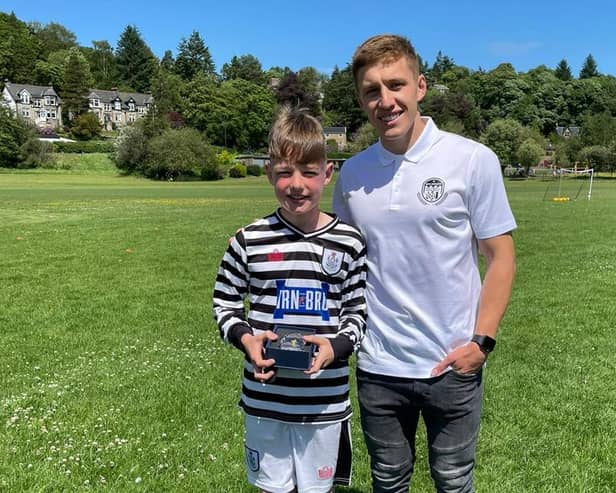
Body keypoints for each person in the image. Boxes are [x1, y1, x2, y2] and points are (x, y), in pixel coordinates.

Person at [333, 34, 517, 493]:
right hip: (378, 366)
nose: (385, 100)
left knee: (454, 482)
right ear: (361, 99)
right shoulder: (353, 174)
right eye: (372, 90)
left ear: (420, 86)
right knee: (388, 481)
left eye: (395, 85)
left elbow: (501, 256)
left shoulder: (472, 160)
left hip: (452, 363)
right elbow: (338, 262)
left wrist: (481, 342)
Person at [213, 106, 367, 493]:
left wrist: (335, 347)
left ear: (327, 174)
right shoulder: (249, 240)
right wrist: (248, 340)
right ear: (269, 174)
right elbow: (225, 304)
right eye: (284, 173)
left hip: (324, 404)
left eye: (309, 173)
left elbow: (358, 313)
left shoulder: (349, 242)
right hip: (266, 400)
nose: (296, 184)